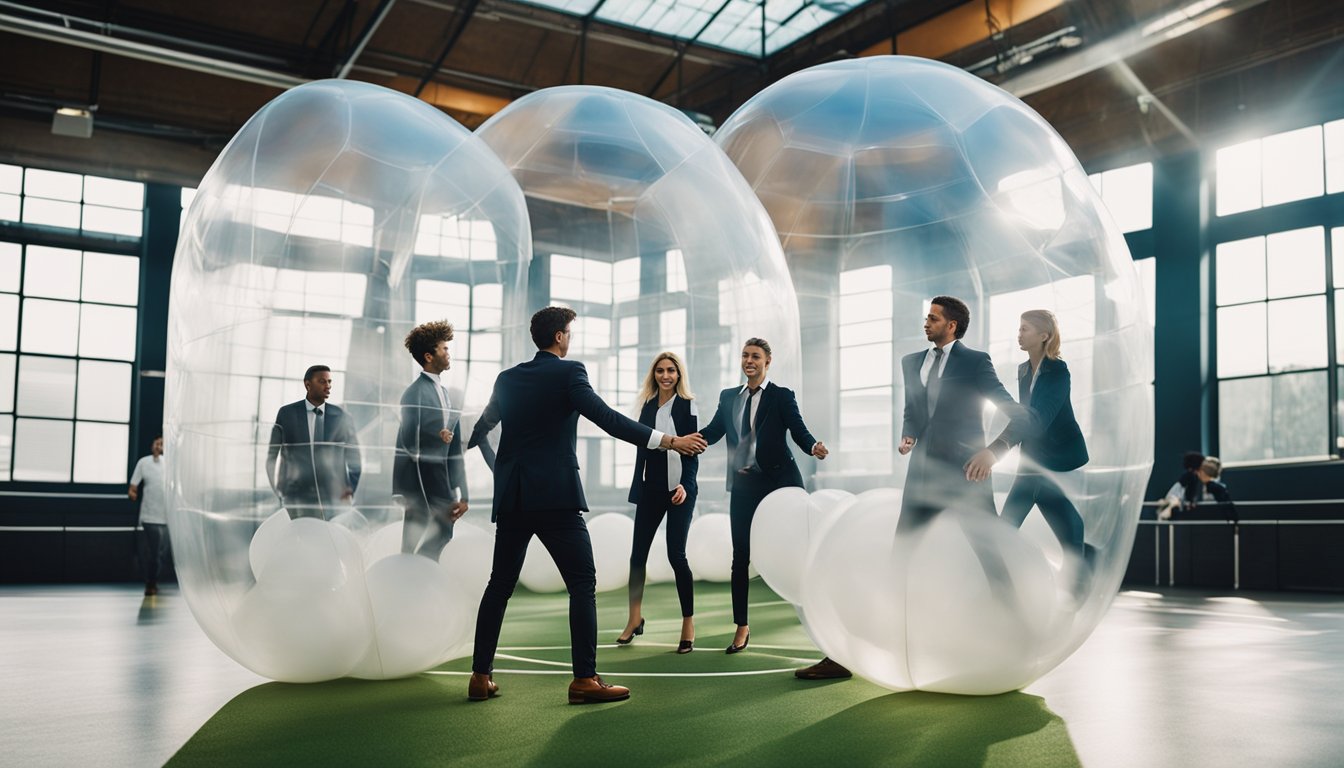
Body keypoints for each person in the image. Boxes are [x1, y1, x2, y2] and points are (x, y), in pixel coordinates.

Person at [465, 307, 706, 705]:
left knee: (499, 585)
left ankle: (479, 676)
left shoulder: (506, 379)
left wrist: (488, 459)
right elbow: (608, 419)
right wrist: (670, 441)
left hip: (513, 497)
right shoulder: (569, 372)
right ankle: (584, 681)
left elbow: (484, 425)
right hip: (556, 496)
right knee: (582, 583)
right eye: (569, 333)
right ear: (559, 337)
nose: (570, 339)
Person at [798, 296, 1023, 681]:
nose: (926, 323)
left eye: (932, 318)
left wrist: (993, 452)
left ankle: (1020, 635)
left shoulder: (975, 362)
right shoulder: (912, 362)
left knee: (991, 559)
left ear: (951, 326)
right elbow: (915, 409)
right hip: (921, 476)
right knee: (899, 560)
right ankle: (852, 655)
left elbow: (1018, 416)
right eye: (926, 317)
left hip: (968, 476)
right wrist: (909, 434)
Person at [699, 338, 827, 656]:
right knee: (740, 556)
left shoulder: (781, 396)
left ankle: (819, 617)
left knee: (802, 549)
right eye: (745, 355)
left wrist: (813, 446)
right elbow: (714, 431)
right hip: (743, 485)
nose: (749, 360)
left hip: (780, 482)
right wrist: (683, 441)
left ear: (767, 362)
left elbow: (798, 430)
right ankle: (741, 626)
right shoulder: (728, 397)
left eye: (755, 356)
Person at [974, 310, 1092, 594]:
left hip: (1055, 454)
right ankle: (1085, 569)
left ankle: (998, 587)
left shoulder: (1058, 372)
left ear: (1044, 336)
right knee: (1063, 515)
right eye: (1019, 328)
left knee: (1008, 524)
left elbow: (1037, 419)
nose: (1019, 334)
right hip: (1035, 455)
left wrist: (998, 448)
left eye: (1025, 329)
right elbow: (1026, 416)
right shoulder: (1023, 370)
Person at [618, 352, 699, 653]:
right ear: (654, 375)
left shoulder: (688, 407)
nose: (666, 376)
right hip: (650, 490)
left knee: (676, 556)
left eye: (671, 371)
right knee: (637, 556)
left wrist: (686, 487)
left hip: (680, 491)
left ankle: (688, 623)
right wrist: (637, 489)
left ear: (679, 375)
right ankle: (634, 618)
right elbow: (642, 449)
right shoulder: (648, 407)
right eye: (661, 371)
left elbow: (694, 451)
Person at [394, 320, 469, 559]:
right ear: (429, 356)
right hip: (421, 484)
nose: (448, 353)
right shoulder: (413, 393)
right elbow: (405, 442)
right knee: (418, 539)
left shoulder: (445, 393)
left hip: (443, 482)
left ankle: (415, 577)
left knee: (441, 535)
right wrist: (404, 492)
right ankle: (411, 576)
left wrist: (463, 492)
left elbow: (454, 445)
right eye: (444, 349)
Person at [264, 365, 362, 519]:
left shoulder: (342, 417)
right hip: (296, 498)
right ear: (307, 384)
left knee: (329, 540)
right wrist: (278, 491)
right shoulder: (286, 414)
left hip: (333, 498)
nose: (328, 386)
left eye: (330, 382)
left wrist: (350, 489)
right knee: (300, 540)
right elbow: (272, 455)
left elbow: (355, 457)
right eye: (322, 381)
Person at [128, 436, 170, 596]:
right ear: (152, 445)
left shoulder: (169, 464)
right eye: (157, 443)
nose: (159, 446)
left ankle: (153, 581)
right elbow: (133, 486)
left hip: (166, 517)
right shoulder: (144, 463)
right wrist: (132, 493)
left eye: (162, 444)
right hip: (150, 516)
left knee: (161, 553)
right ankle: (150, 584)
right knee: (154, 552)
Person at [1158, 456, 1231, 519]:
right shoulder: (1191, 477)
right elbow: (1179, 493)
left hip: (1184, 505)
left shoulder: (1213, 486)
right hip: (1178, 501)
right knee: (1173, 501)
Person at [1155, 451, 1209, 520]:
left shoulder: (1189, 474)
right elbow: (1190, 491)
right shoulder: (1192, 476)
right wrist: (1191, 501)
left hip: (1174, 495)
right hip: (1176, 497)